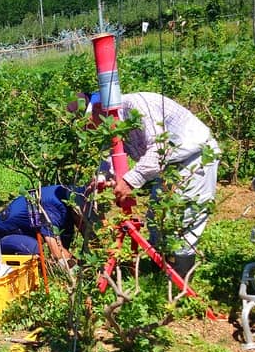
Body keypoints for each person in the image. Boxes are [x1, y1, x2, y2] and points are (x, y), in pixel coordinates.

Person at [77, 91, 220, 278]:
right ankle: (160, 274)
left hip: (195, 158)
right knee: (157, 221)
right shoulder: (110, 122)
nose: (89, 130)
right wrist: (101, 178)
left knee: (184, 220)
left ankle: (181, 283)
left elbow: (159, 149)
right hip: (168, 167)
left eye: (87, 124)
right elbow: (111, 154)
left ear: (96, 109)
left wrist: (130, 181)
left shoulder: (135, 106)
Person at [0, 185, 89, 270]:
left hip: (29, 226)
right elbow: (57, 254)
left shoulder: (72, 193)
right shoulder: (52, 209)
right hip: (7, 234)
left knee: (67, 230)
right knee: (35, 249)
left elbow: (84, 227)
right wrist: (77, 265)